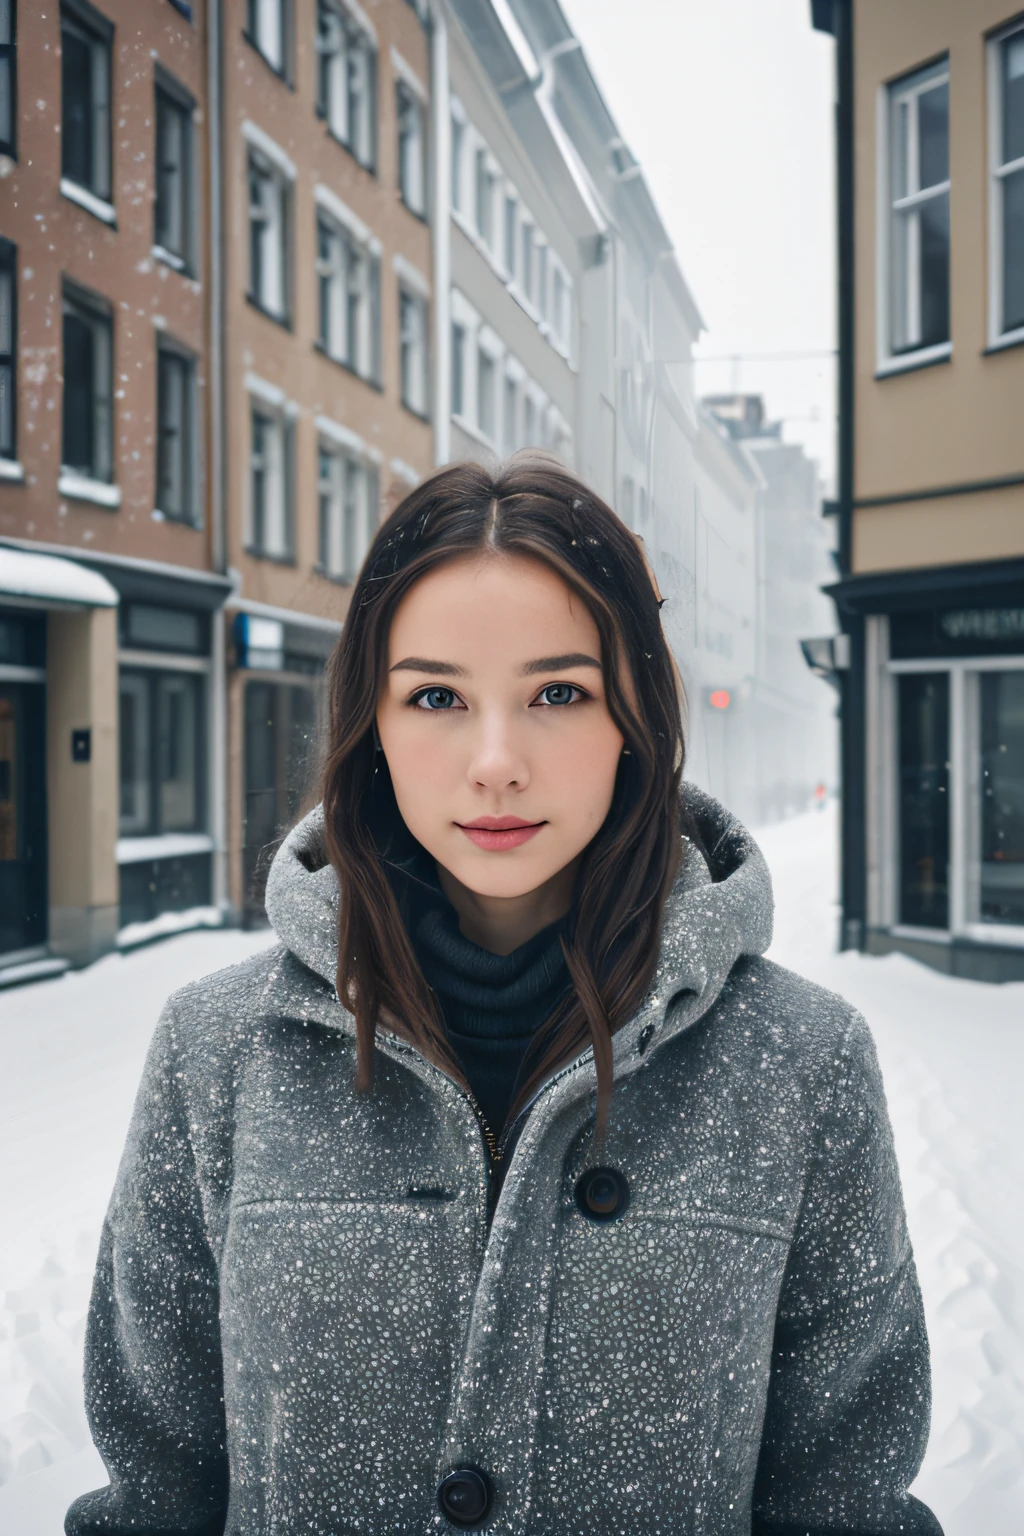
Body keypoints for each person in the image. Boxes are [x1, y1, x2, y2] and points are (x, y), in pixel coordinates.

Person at [67, 456, 941, 1536]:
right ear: (370, 726)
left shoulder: (801, 1064)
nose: (494, 762)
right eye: (436, 696)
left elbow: (843, 1502)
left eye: (557, 694)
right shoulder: (218, 1053)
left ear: (634, 718)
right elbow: (158, 1493)